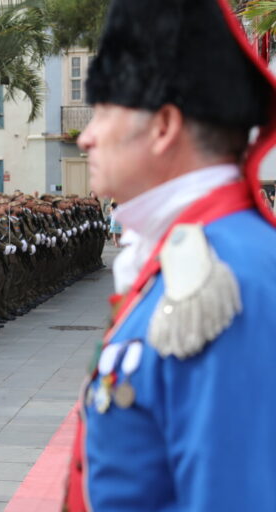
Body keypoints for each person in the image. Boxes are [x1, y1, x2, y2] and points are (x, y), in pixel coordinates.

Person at [64, 1, 276, 510]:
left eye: (104, 111)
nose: (86, 136)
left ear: (163, 126)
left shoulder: (224, 275)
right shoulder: (194, 253)